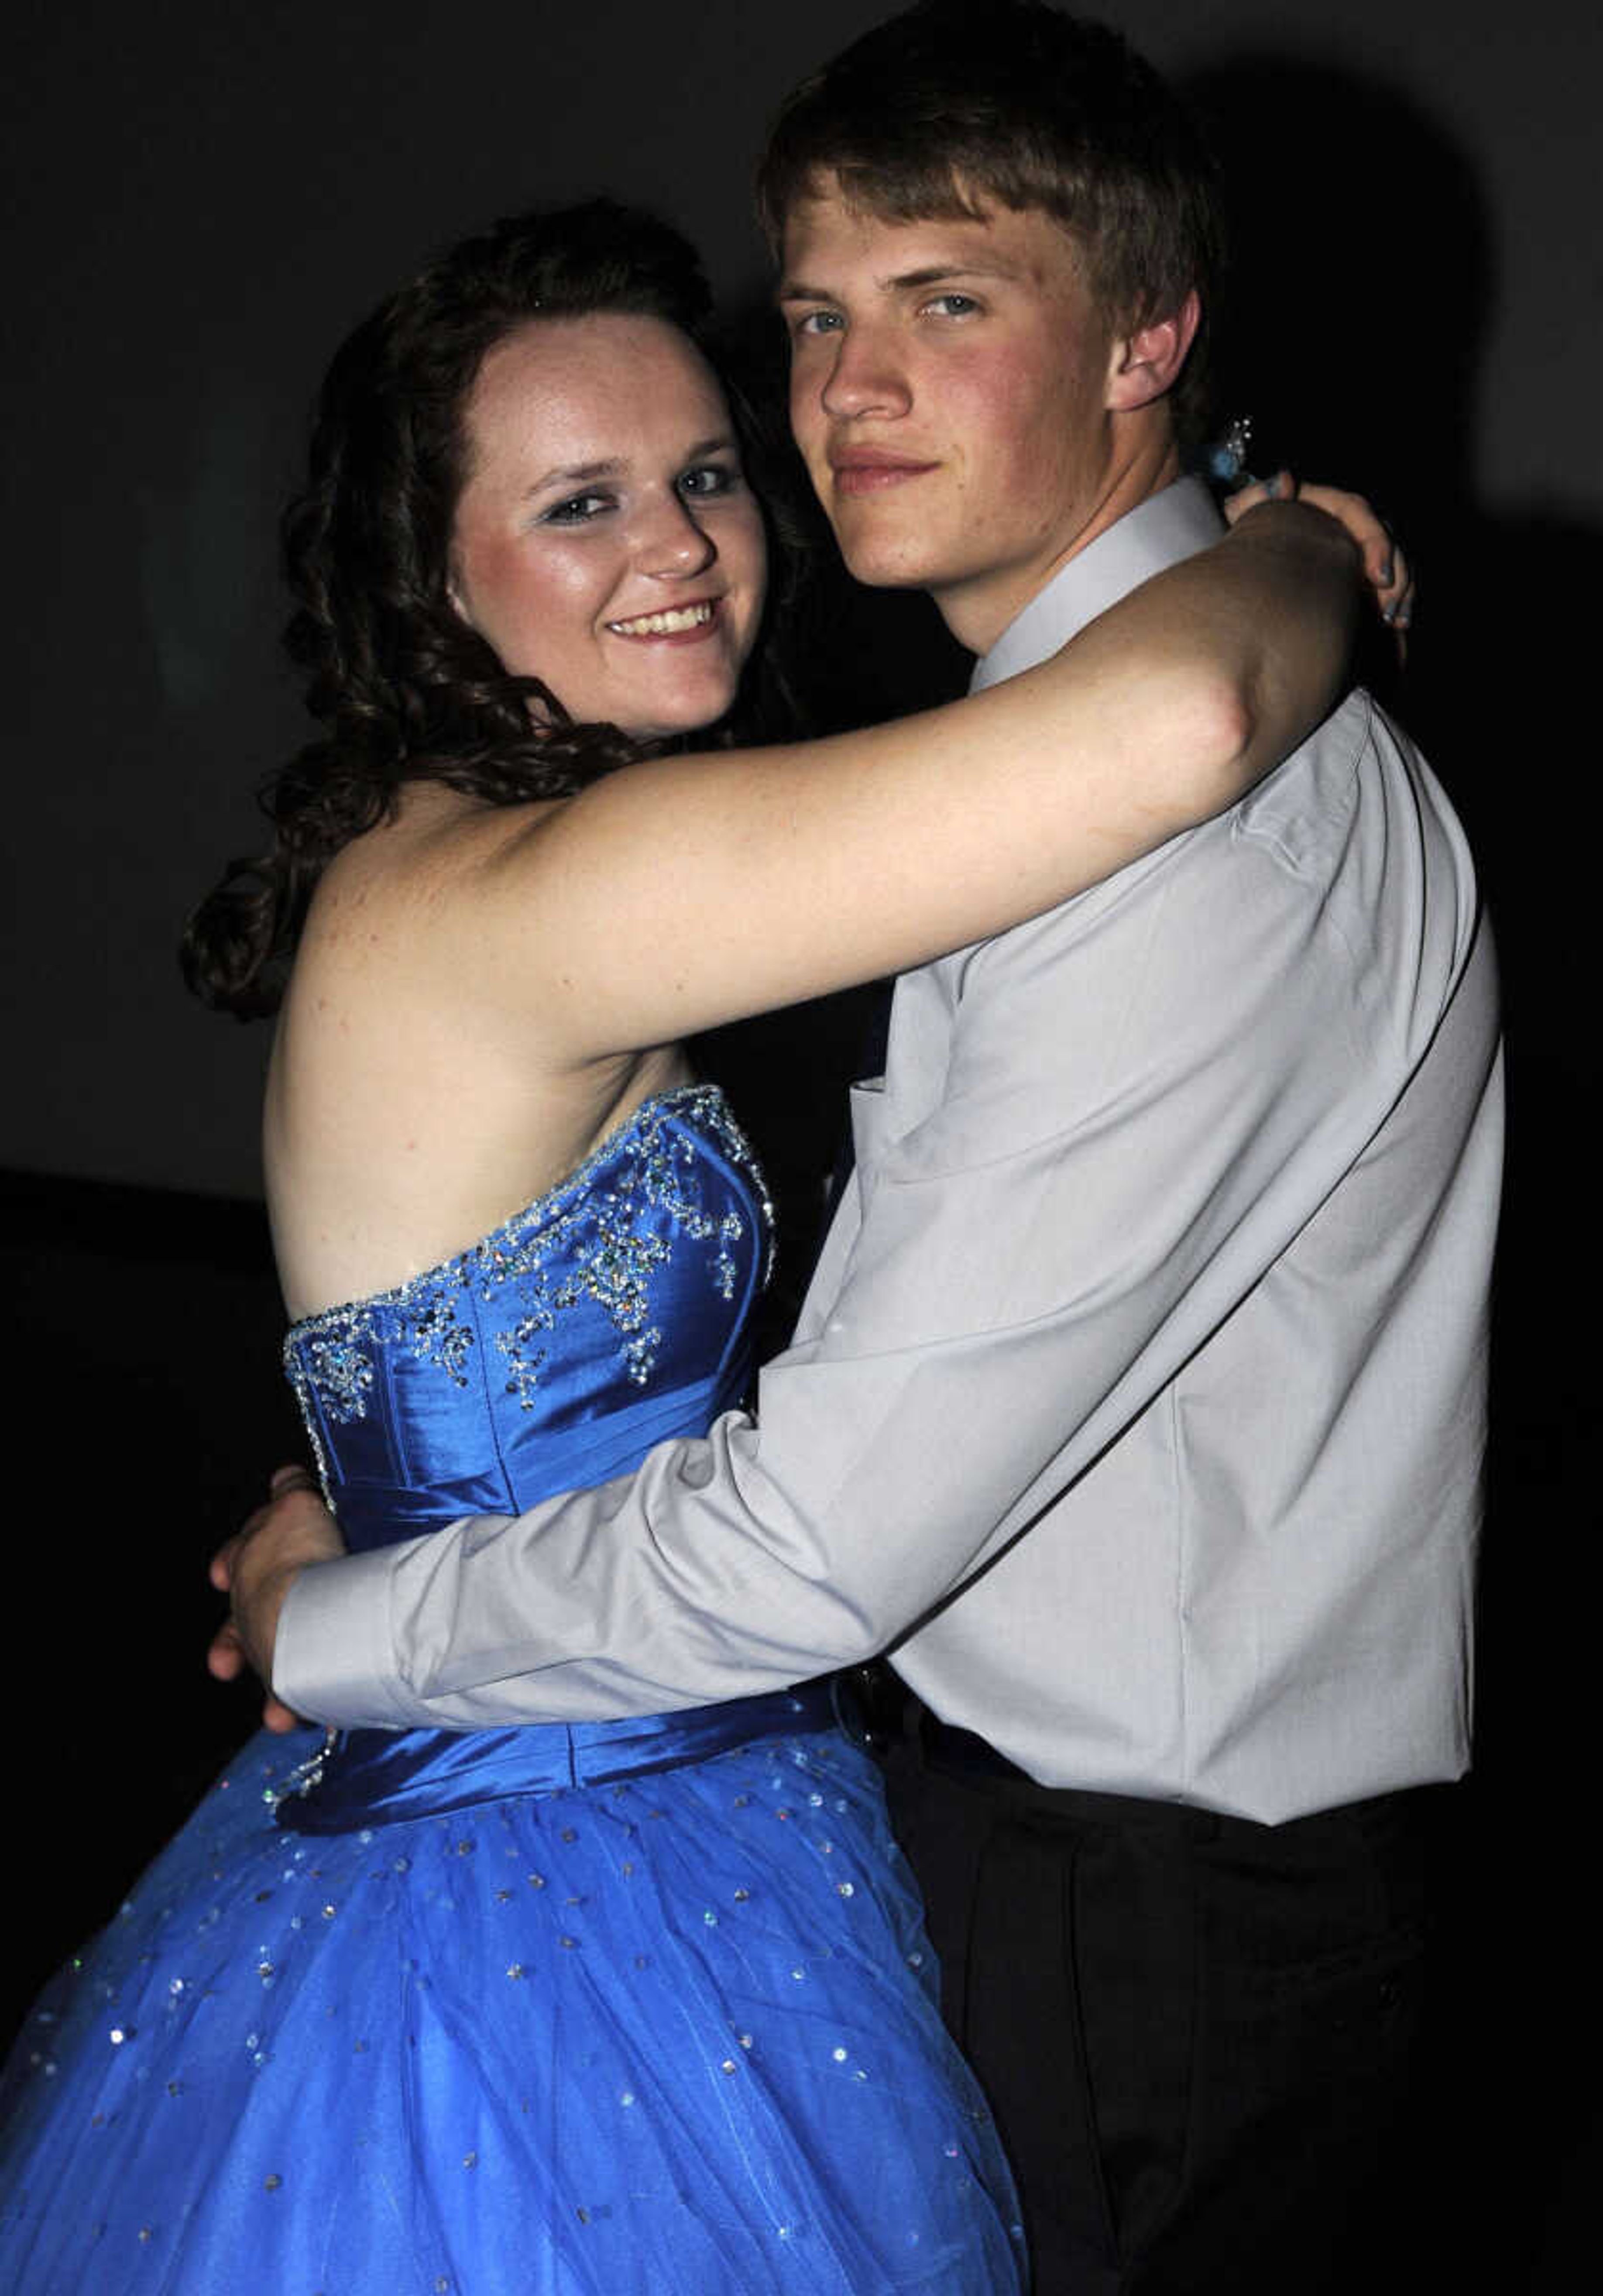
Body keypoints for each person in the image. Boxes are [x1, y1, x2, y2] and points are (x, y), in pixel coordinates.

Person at [219, 7, 1502, 2291]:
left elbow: (806, 1538)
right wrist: (1289, 543)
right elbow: (1179, 706)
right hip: (711, 1827)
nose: (833, 412)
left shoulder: (1126, 823)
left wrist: (341, 1611)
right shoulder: (705, 852)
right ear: (426, 569)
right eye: (815, 318)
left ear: (1151, 335)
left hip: (1113, 1902)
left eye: (944, 301)